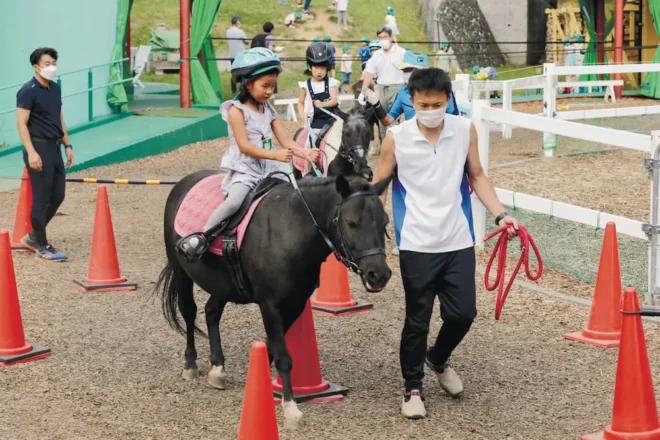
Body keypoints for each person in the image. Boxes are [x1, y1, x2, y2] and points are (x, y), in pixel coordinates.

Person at [372, 68, 519, 420]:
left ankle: (437, 357)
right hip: (416, 242)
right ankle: (412, 387)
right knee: (417, 320)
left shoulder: (463, 129)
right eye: (423, 104)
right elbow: (377, 187)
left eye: (438, 103)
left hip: (457, 238)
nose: (431, 110)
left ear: (449, 100)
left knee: (463, 314)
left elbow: (477, 176)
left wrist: (502, 215)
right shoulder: (396, 137)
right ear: (411, 100)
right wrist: (370, 236)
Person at [176, 48, 320, 261]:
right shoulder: (236, 111)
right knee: (234, 202)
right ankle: (203, 237)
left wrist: (305, 153)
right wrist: (276, 156)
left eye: (272, 86)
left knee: (294, 195)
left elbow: (286, 140)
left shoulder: (268, 109)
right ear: (247, 84)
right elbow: (244, 146)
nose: (269, 91)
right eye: (265, 86)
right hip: (246, 169)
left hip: (271, 167)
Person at [360, 51, 460, 256]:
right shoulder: (404, 93)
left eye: (410, 70)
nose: (406, 74)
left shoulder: (443, 94)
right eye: (404, 71)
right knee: (399, 189)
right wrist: (377, 104)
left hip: (438, 147)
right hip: (409, 147)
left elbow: (454, 119)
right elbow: (389, 120)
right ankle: (402, 238)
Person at [15, 47, 73, 262]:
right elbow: (21, 123)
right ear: (36, 66)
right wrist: (31, 152)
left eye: (53, 63)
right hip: (38, 148)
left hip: (55, 146)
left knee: (58, 196)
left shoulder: (55, 89)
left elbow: (59, 117)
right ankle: (42, 244)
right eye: (46, 64)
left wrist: (68, 145)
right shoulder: (28, 91)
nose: (51, 67)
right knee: (41, 198)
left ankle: (32, 236)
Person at [360, 26, 406, 154]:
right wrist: (363, 90)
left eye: (385, 37)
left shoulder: (401, 53)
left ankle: (393, 150)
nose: (382, 40)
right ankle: (385, 147)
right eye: (380, 38)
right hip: (380, 88)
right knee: (382, 120)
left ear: (391, 37)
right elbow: (369, 72)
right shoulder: (377, 56)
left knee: (392, 120)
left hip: (397, 88)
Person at [297, 42, 341, 148]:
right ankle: (309, 164)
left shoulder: (331, 83)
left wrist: (321, 104)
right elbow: (300, 102)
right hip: (316, 121)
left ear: (327, 68)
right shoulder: (305, 85)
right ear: (310, 67)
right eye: (316, 68)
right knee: (309, 144)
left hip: (332, 118)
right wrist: (302, 114)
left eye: (322, 68)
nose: (319, 72)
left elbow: (334, 101)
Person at [227, 16, 249, 94]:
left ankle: (233, 91)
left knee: (234, 73)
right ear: (238, 23)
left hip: (232, 55)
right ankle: (242, 89)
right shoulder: (240, 32)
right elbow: (246, 41)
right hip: (241, 55)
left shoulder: (228, 31)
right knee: (243, 72)